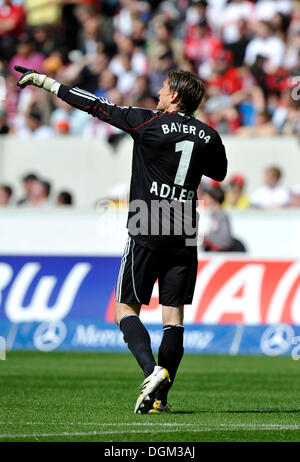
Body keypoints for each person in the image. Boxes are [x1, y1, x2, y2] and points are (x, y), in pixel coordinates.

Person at [14, 65, 227, 414]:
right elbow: (218, 173)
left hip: (147, 222)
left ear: (174, 96)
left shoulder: (148, 121)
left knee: (124, 310)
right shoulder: (210, 135)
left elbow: (96, 105)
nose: (158, 91)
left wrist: (46, 82)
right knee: (173, 318)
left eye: (164, 87)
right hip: (185, 228)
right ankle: (160, 399)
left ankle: (150, 372)